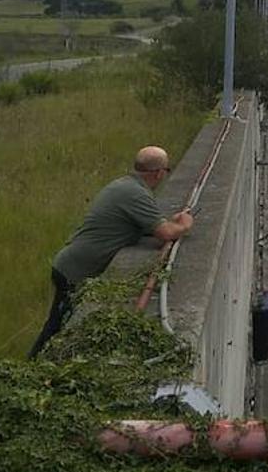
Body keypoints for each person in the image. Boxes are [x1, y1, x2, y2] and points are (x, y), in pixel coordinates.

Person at [29, 146, 193, 359]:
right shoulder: (136, 194)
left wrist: (169, 223)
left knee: (58, 325)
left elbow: (148, 226)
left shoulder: (125, 186)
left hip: (71, 264)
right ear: (159, 172)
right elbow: (165, 233)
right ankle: (36, 364)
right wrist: (185, 224)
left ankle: (40, 363)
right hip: (74, 271)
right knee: (57, 327)